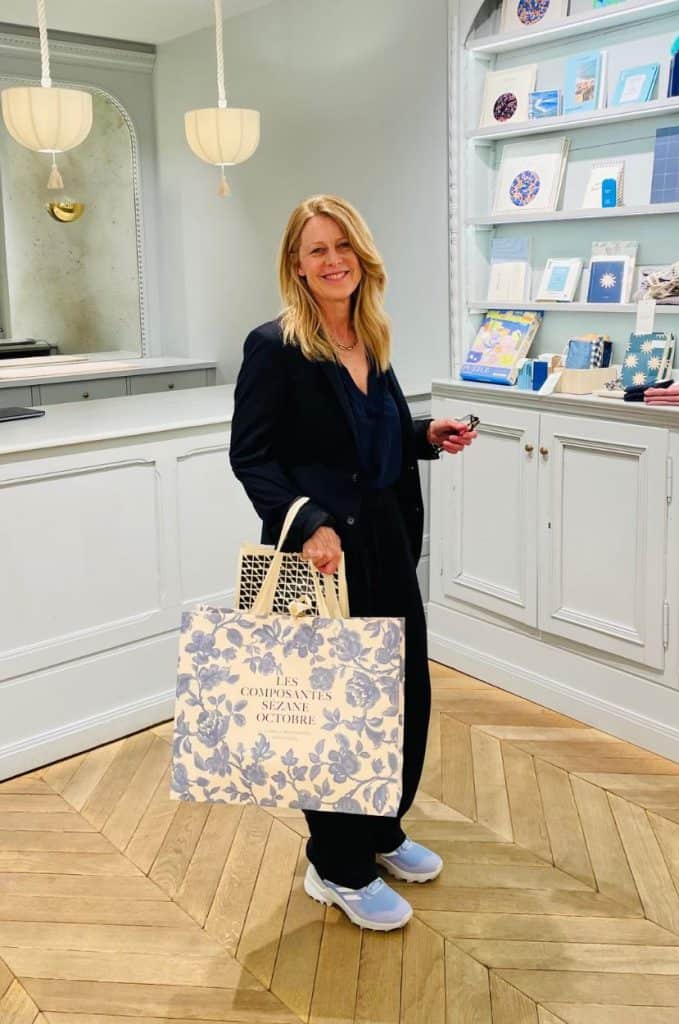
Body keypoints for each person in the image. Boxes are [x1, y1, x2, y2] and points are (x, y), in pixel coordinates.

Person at [229, 195, 477, 931]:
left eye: (343, 246)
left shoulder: (371, 336)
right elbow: (251, 455)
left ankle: (380, 829)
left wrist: (423, 434)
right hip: (321, 556)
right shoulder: (273, 346)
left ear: (362, 257)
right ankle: (336, 864)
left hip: (386, 543)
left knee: (399, 694)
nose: (333, 260)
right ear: (296, 264)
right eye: (317, 249)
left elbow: (372, 434)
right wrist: (307, 523)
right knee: (332, 708)